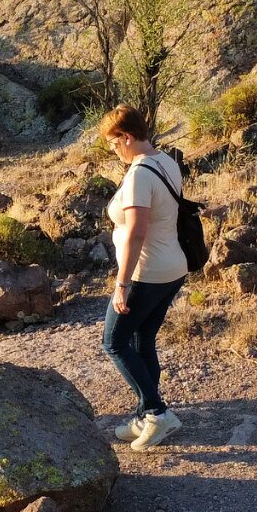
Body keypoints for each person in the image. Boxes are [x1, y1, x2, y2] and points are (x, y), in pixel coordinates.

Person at [98, 105, 189, 450]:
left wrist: (122, 284)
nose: (114, 150)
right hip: (172, 268)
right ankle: (145, 415)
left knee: (113, 342)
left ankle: (156, 413)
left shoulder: (139, 175)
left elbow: (137, 233)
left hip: (146, 273)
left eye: (113, 143)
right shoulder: (165, 160)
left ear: (126, 136)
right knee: (142, 338)